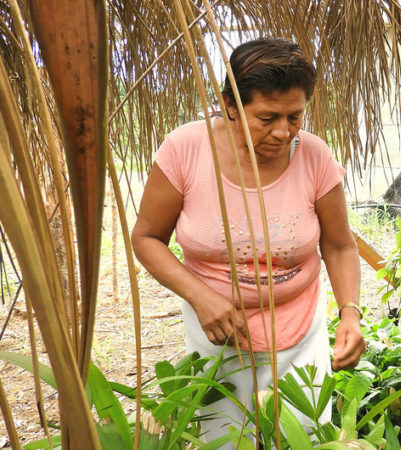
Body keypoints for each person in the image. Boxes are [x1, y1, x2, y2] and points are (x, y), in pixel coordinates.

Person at [131, 37, 365, 447]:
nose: (283, 132)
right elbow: (147, 238)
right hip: (217, 336)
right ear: (229, 105)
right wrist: (200, 297)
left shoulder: (314, 156)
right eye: (267, 117)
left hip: (299, 332)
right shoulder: (185, 150)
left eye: (295, 116)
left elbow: (341, 246)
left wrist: (350, 314)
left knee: (303, 437)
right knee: (223, 439)